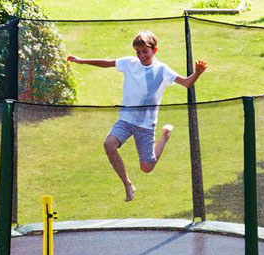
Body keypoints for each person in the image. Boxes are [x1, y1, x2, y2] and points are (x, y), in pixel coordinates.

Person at [67, 30, 207, 201]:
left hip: (146, 125)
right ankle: (127, 184)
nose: (141, 55)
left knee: (147, 167)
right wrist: (81, 61)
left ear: (154, 50)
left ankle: (164, 136)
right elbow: (108, 63)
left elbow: (186, 83)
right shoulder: (129, 63)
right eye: (138, 52)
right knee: (109, 144)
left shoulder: (162, 70)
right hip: (126, 119)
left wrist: (197, 73)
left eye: (145, 51)